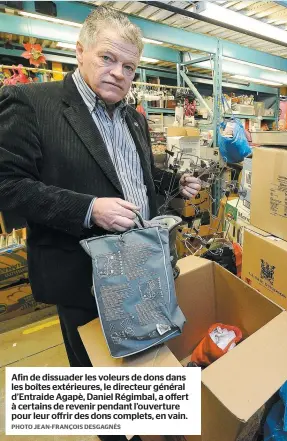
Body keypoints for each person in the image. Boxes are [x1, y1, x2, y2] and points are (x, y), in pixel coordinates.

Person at [0, 7, 201, 441]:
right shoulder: (34, 104)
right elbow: (8, 185)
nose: (118, 73)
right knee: (102, 394)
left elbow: (133, 173)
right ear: (80, 51)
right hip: (83, 277)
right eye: (107, 58)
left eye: (129, 66)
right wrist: (89, 209)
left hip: (141, 271)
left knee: (144, 378)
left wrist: (171, 180)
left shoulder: (133, 117)